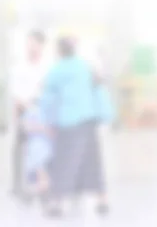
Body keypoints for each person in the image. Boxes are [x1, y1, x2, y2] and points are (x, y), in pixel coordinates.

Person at [40, 37, 114, 218]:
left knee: (64, 162)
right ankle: (102, 200)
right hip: (89, 120)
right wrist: (105, 114)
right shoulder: (86, 66)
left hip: (68, 123)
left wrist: (48, 122)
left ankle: (57, 204)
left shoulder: (57, 70)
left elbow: (48, 99)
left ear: (59, 51)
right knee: (92, 162)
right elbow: (98, 88)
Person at [7, 30, 47, 198]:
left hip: (42, 114)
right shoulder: (19, 67)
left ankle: (42, 185)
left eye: (34, 43)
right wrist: (22, 111)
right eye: (28, 43)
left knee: (41, 151)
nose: (30, 47)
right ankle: (18, 187)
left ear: (41, 45)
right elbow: (16, 95)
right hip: (24, 113)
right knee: (21, 150)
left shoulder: (47, 67)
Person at [21, 97, 52, 197]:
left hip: (46, 144)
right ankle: (42, 183)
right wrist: (43, 128)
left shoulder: (51, 111)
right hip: (37, 143)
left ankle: (43, 183)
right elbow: (27, 127)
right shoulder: (32, 112)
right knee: (37, 154)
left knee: (39, 156)